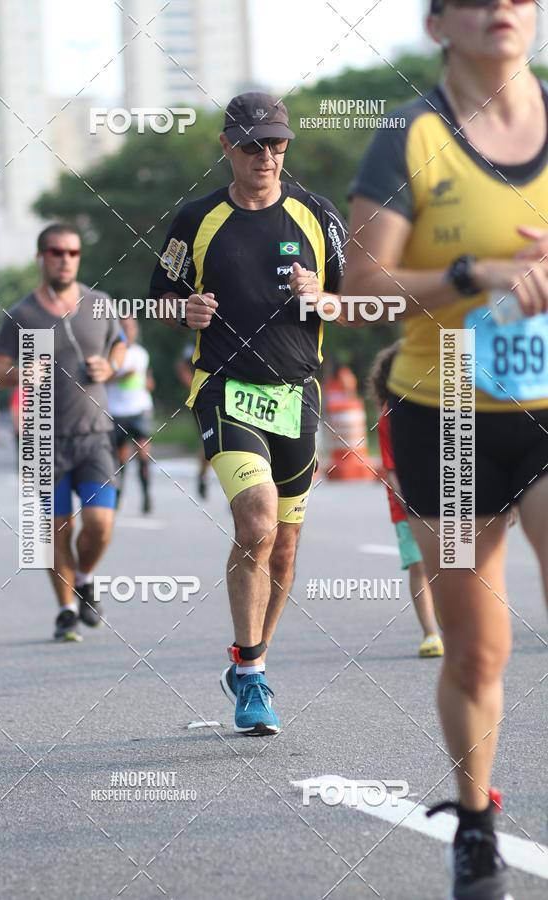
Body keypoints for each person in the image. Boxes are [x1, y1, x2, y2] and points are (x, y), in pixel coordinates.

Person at [343, 2, 548, 897]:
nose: (500, 7)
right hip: (451, 417)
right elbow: (361, 289)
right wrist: (477, 274)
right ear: (437, 25)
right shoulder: (408, 137)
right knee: (474, 650)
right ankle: (474, 822)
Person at [150, 91, 349, 735]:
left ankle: (247, 661)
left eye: (277, 143)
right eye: (252, 144)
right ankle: (256, 673)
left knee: (284, 548)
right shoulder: (196, 220)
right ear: (226, 147)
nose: (267, 156)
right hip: (224, 389)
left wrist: (322, 298)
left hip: (297, 393)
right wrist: (184, 312)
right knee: (257, 521)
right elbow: (157, 302)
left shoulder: (318, 215)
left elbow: (353, 305)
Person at [0, 223, 126, 642]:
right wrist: (18, 373)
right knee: (54, 529)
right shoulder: (21, 314)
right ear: (41, 257)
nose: (64, 259)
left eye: (72, 252)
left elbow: (118, 343)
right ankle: (66, 610)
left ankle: (84, 578)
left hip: (95, 433)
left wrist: (111, 364)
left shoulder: (99, 303)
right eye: (55, 252)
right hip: (42, 439)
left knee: (100, 522)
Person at [368, 343, 444, 658]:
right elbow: (391, 467)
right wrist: (408, 503)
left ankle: (456, 627)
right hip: (407, 504)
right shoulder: (390, 416)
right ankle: (430, 634)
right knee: (419, 566)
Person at [107, 316, 155, 514]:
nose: (129, 330)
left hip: (139, 409)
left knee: (143, 454)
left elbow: (148, 380)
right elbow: (101, 376)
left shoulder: (142, 353)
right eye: (125, 327)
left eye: (132, 327)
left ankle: (146, 496)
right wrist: (120, 375)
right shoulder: (112, 353)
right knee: (120, 459)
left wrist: (149, 384)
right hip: (117, 410)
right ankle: (118, 497)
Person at [175, 342, 211, 499]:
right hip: (203, 399)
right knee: (208, 439)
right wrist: (193, 387)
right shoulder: (193, 345)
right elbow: (181, 366)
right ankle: (203, 475)